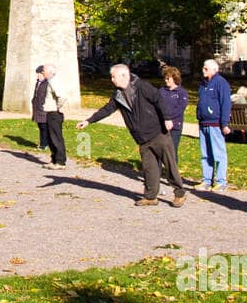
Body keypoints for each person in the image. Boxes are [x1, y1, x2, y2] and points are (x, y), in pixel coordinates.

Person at [77, 63, 187, 207]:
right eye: (111, 77)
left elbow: (158, 99)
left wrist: (167, 118)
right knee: (149, 168)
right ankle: (151, 197)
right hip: (142, 138)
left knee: (170, 164)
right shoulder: (118, 94)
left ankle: (180, 193)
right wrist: (89, 121)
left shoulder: (142, 86)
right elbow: (107, 109)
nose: (112, 80)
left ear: (124, 75)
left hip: (158, 133)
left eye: (113, 76)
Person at [197, 58, 232, 191]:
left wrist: (224, 124)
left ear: (214, 70)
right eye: (203, 68)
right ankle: (206, 180)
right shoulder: (203, 84)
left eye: (206, 68)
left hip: (215, 123)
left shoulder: (221, 83)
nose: (203, 70)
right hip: (203, 123)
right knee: (205, 154)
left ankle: (221, 181)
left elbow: (225, 104)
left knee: (219, 153)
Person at [31, 63, 67, 168]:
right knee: (51, 138)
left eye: (44, 71)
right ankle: (54, 160)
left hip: (54, 112)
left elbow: (62, 97)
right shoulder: (50, 81)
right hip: (49, 112)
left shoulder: (54, 81)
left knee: (56, 138)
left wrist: (57, 108)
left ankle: (60, 162)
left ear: (50, 72)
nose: (42, 73)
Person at [159, 65, 189, 162]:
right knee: (159, 149)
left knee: (172, 149)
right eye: (165, 78)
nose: (166, 80)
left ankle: (173, 173)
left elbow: (180, 108)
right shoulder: (161, 91)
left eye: (168, 78)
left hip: (175, 125)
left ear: (174, 78)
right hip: (161, 125)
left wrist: (167, 117)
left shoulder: (182, 92)